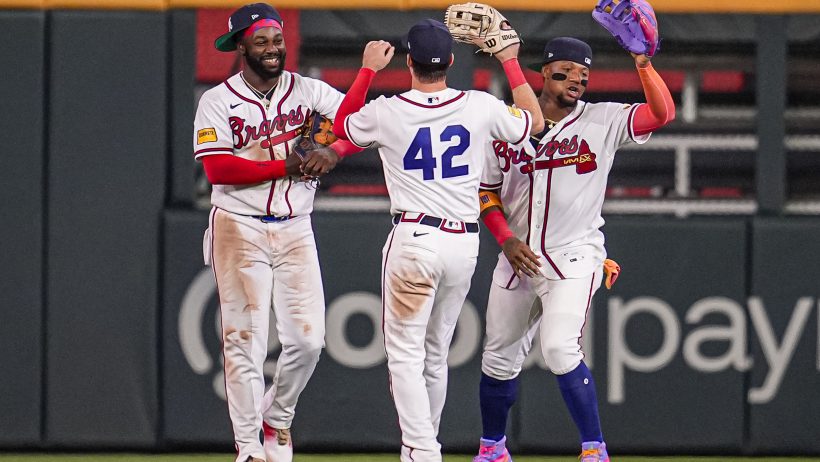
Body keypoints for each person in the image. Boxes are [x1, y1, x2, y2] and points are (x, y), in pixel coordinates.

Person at [324, 18, 544, 462]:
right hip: (463, 243)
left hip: (415, 237)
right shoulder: (480, 105)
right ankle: (422, 449)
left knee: (404, 355)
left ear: (409, 61)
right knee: (435, 354)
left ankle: (423, 450)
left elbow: (344, 127)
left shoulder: (388, 110)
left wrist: (367, 70)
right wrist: (510, 62)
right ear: (451, 62)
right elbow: (534, 121)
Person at [472, 36, 675, 462]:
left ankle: (594, 449)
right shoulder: (508, 124)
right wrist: (505, 239)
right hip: (518, 258)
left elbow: (663, 112)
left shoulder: (602, 119)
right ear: (542, 74)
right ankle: (492, 449)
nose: (576, 80)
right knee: (497, 359)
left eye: (584, 74)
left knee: (561, 347)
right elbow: (487, 192)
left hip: (574, 255)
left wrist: (642, 64)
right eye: (565, 71)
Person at [192, 3, 359, 462]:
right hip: (238, 225)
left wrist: (335, 150)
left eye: (277, 39)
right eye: (261, 41)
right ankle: (248, 447)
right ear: (241, 45)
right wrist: (288, 163)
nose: (272, 49)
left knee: (309, 341)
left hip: (295, 227)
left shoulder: (306, 90)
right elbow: (218, 169)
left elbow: (357, 120)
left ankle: (277, 417)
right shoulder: (217, 101)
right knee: (243, 341)